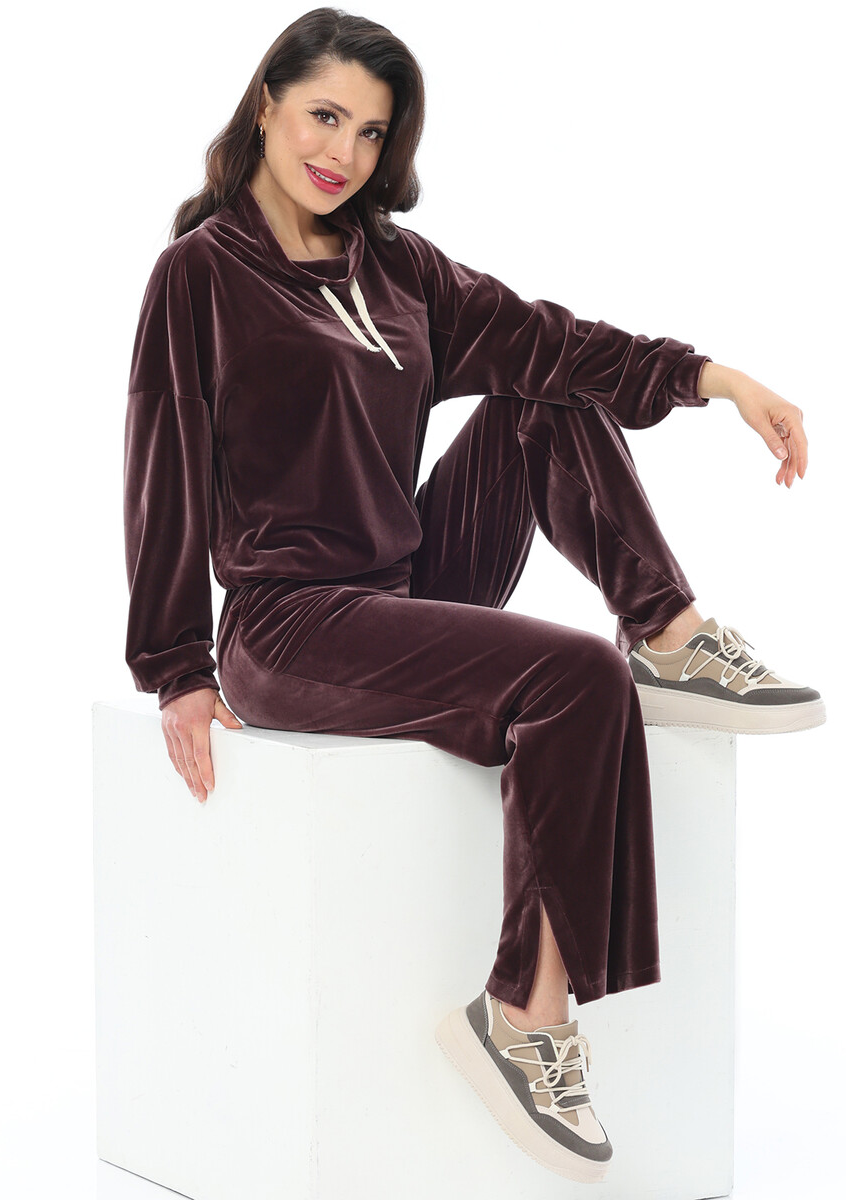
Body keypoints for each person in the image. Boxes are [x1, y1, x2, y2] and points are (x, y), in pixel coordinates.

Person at [122, 6, 825, 1184]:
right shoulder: (200, 275)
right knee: (575, 677)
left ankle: (670, 631)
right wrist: (175, 668)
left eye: (370, 132)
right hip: (290, 625)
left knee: (540, 394)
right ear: (267, 105)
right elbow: (163, 467)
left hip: (400, 587)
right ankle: (522, 1012)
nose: (343, 152)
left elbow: (553, 340)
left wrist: (713, 379)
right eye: (324, 116)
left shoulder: (399, 268)